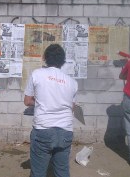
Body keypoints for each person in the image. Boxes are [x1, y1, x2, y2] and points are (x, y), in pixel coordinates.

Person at [24, 44, 78, 177]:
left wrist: (41, 102)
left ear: (44, 58)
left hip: (43, 130)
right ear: (63, 61)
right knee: (62, 171)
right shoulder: (72, 82)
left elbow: (27, 101)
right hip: (65, 131)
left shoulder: (37, 74)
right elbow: (71, 108)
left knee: (38, 172)